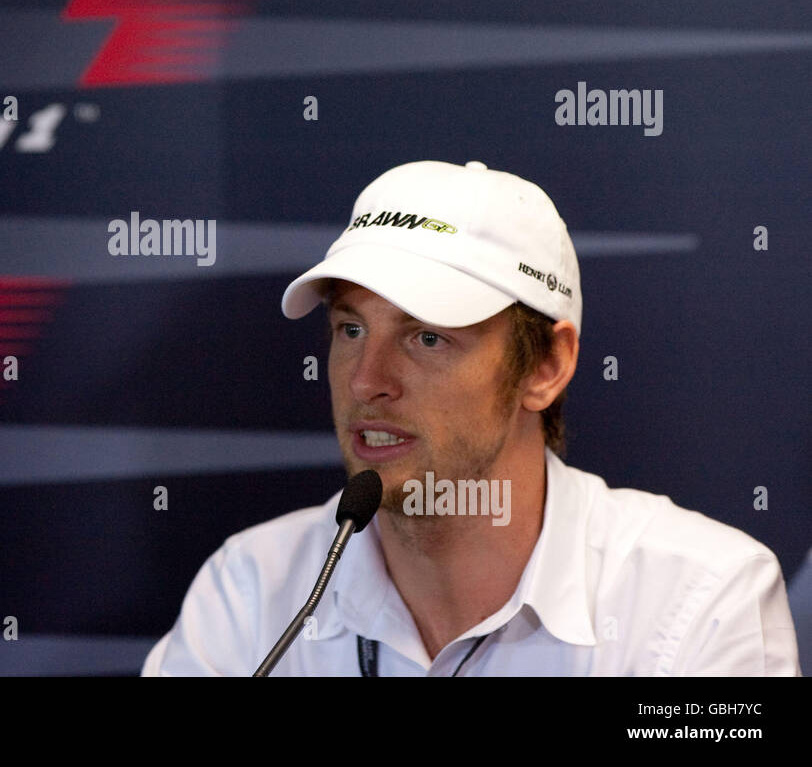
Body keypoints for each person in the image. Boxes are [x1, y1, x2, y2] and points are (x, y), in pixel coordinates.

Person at [142, 160, 800, 676]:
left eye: (427, 337)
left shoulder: (702, 601)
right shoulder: (252, 594)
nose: (366, 381)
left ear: (546, 365)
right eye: (350, 328)